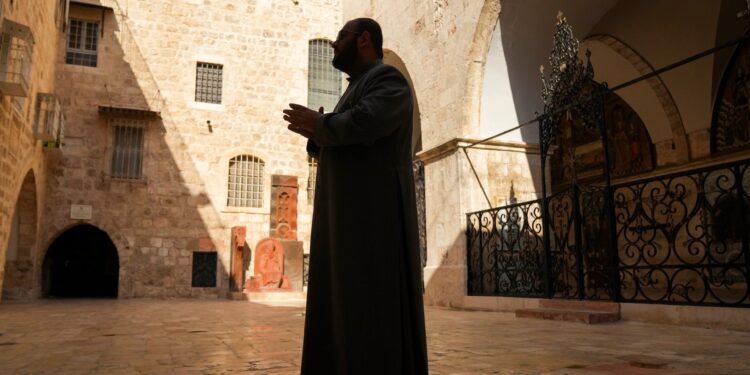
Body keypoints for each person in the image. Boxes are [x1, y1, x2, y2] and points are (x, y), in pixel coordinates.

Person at [282, 17, 429, 375]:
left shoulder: (387, 79)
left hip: (373, 221)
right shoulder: (355, 87)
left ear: (364, 39)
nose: (334, 44)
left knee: (371, 315)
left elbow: (369, 122)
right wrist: (319, 136)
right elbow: (349, 139)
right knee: (343, 311)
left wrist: (322, 126)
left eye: (341, 36)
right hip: (349, 220)